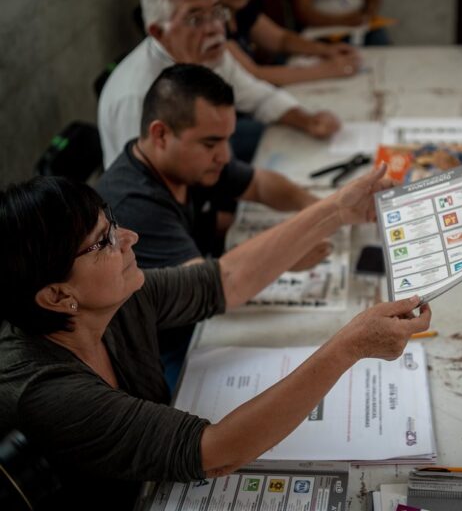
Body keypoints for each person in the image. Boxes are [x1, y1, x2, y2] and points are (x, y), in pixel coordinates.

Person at [0, 175, 430, 510]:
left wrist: (337, 209)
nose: (128, 237)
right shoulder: (46, 390)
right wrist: (347, 347)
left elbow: (224, 280)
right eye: (104, 241)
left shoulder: (113, 300)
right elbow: (216, 451)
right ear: (57, 295)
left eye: (111, 222)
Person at [97, 63, 341, 389]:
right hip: (164, 349)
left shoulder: (186, 163)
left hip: (203, 314)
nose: (224, 156)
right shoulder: (133, 206)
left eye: (227, 140)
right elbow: (215, 287)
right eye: (211, 144)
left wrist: (317, 207)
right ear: (160, 134)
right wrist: (288, 251)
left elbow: (261, 186)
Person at [98, 0, 341, 168]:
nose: (214, 28)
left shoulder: (208, 54)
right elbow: (140, 191)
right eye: (195, 19)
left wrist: (308, 120)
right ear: (158, 32)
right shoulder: (136, 97)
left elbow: (256, 95)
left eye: (216, 12)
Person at [221, 0, 363, 86]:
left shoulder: (239, 7)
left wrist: (324, 49)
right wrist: (327, 70)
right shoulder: (210, 24)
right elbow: (253, 75)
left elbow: (280, 39)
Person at [292, 0, 391, 46]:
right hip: (319, 30)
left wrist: (368, 13)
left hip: (360, 27)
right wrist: (344, 21)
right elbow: (303, 12)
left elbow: (373, 3)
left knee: (379, 39)